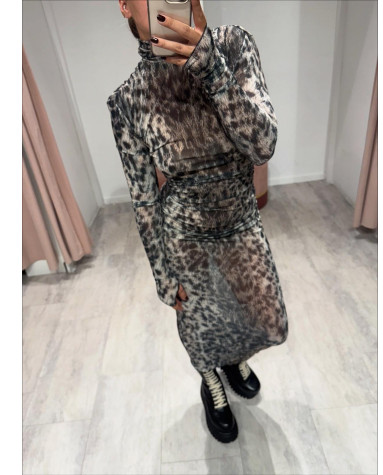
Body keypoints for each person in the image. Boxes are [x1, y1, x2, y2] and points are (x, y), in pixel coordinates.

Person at [107, 0, 289, 444]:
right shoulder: (128, 99)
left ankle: (234, 358)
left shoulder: (234, 45)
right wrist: (162, 274)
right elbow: (143, 197)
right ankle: (212, 380)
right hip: (184, 236)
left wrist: (211, 67)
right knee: (200, 326)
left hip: (241, 220)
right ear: (125, 6)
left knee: (270, 324)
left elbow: (262, 145)